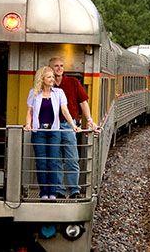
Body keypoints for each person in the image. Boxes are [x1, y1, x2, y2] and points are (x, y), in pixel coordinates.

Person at [24, 66, 81, 200]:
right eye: (49, 77)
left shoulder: (59, 92)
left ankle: (53, 192)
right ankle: (44, 192)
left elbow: (64, 110)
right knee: (41, 162)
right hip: (39, 132)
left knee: (54, 162)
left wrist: (73, 126)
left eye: (52, 77)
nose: (52, 79)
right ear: (42, 79)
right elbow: (30, 112)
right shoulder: (33, 93)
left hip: (55, 132)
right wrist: (28, 124)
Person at [49, 57, 99, 199]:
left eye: (61, 66)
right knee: (56, 159)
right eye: (56, 66)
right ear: (50, 68)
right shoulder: (47, 84)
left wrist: (89, 120)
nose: (59, 68)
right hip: (52, 127)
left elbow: (83, 102)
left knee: (72, 158)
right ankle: (59, 190)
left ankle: (74, 190)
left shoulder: (72, 82)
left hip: (68, 125)